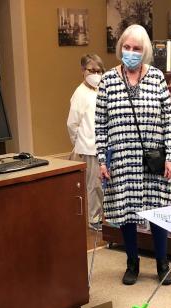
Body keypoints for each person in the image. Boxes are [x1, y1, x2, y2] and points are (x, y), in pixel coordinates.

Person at [95, 24, 171, 285]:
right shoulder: (108, 80)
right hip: (121, 159)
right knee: (126, 212)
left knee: (158, 210)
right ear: (121, 48)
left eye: (137, 49)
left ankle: (163, 263)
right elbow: (100, 124)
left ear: (145, 52)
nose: (131, 52)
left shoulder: (156, 78)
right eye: (127, 47)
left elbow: (168, 120)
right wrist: (101, 159)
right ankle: (132, 262)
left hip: (153, 158)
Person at [67, 53, 105, 230]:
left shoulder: (102, 90)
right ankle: (94, 219)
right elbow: (72, 124)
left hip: (105, 146)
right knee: (94, 185)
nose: (96, 74)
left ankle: (106, 217)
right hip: (89, 148)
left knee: (104, 185)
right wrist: (79, 144)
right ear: (83, 71)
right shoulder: (79, 94)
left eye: (99, 70)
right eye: (92, 70)